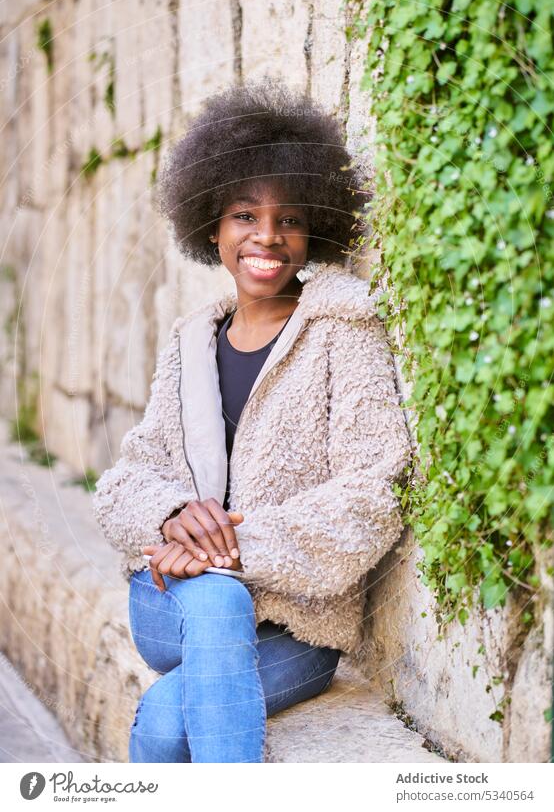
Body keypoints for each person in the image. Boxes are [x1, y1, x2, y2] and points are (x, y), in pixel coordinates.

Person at [92, 77, 413, 763]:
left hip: (296, 625)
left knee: (165, 722)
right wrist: (175, 513)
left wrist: (233, 547)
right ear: (211, 225)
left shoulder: (341, 330)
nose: (267, 235)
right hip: (171, 601)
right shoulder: (189, 345)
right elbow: (124, 481)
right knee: (213, 604)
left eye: (289, 218)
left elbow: (375, 490)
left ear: (312, 228)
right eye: (244, 215)